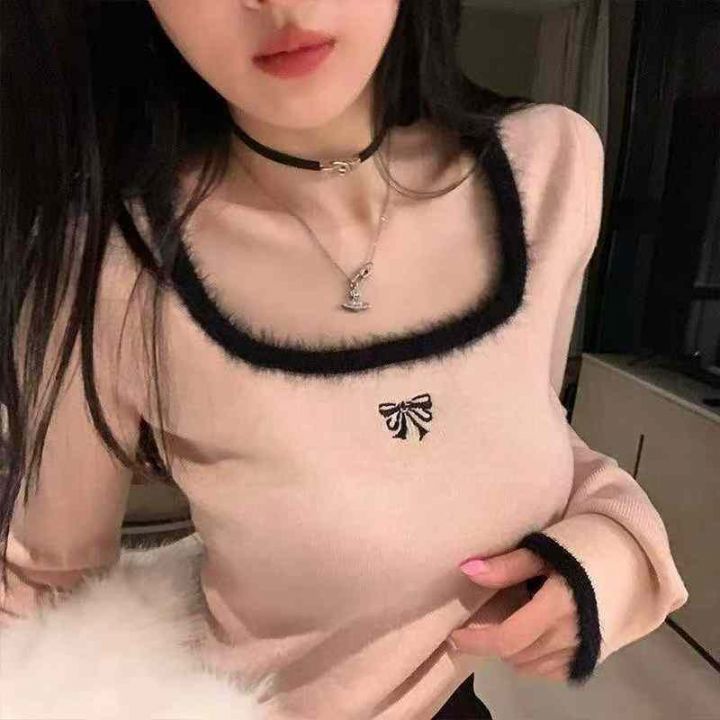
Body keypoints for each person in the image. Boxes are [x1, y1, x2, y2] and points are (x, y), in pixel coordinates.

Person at [0, 1, 689, 718]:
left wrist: (615, 546)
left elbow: (515, 423)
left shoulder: (547, 167)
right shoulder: (111, 263)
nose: (280, 5)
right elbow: (39, 594)